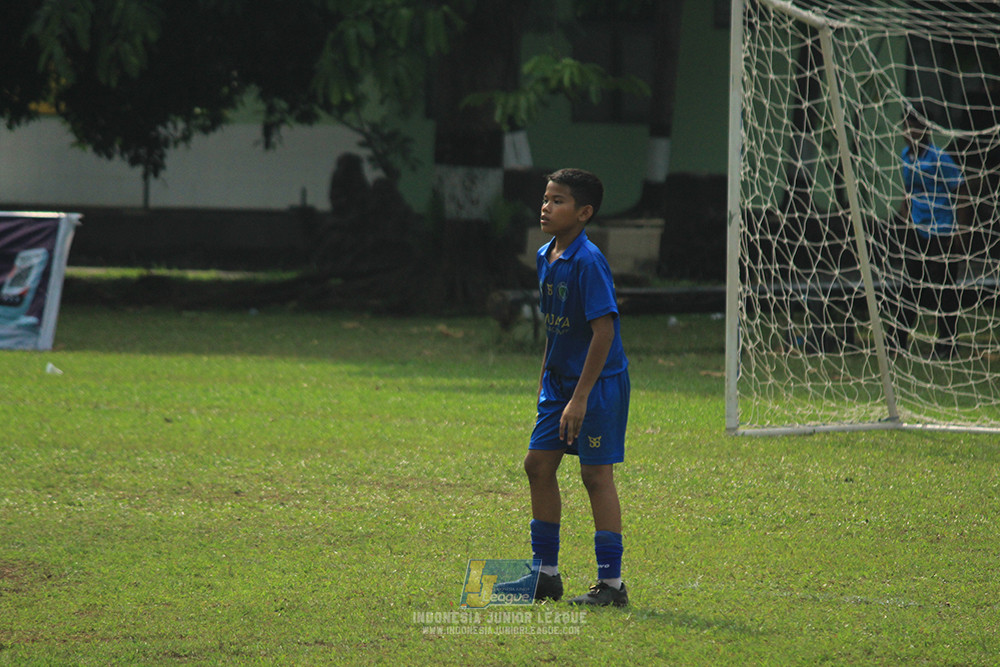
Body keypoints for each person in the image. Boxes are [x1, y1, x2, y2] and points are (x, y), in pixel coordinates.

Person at [497, 168, 631, 607]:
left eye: (558, 201)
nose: (546, 206)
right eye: (545, 198)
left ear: (584, 212)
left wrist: (580, 396)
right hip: (559, 385)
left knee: (595, 475)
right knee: (537, 465)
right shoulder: (545, 255)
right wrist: (545, 379)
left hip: (596, 386)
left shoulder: (589, 262)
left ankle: (611, 586)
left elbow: (603, 333)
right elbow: (558, 329)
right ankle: (544, 576)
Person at [889, 109, 970, 358]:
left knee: (944, 289)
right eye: (905, 127)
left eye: (913, 127)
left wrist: (961, 229)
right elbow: (909, 191)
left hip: (942, 230)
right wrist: (903, 216)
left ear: (925, 130)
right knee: (910, 287)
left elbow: (961, 192)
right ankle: (897, 343)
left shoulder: (940, 158)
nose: (908, 132)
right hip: (917, 230)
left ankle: (947, 345)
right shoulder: (906, 156)